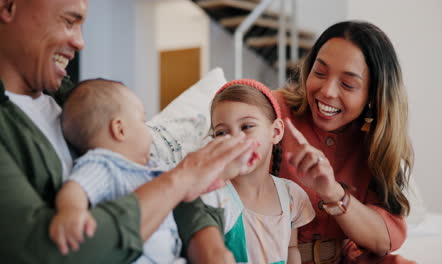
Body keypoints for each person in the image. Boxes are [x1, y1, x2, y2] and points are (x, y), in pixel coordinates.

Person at [0, 0, 256, 263]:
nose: (80, 42)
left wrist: (208, 245)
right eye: (69, 21)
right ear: (8, 7)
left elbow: (156, 175)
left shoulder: (71, 98)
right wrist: (181, 179)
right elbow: (40, 252)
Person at [175, 21, 415, 264]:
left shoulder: (374, 141)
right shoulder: (270, 112)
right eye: (319, 72)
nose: (327, 91)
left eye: (348, 84)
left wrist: (333, 193)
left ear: (374, 95)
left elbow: (385, 240)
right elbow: (204, 178)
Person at [48, 79, 188, 263]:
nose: (148, 131)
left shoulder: (152, 165)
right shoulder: (104, 165)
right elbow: (76, 188)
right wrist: (72, 210)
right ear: (120, 129)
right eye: (142, 120)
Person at [200, 79, 315, 264]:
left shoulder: (291, 196)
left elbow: (291, 249)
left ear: (276, 132)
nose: (235, 139)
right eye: (222, 133)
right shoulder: (215, 197)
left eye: (246, 127)